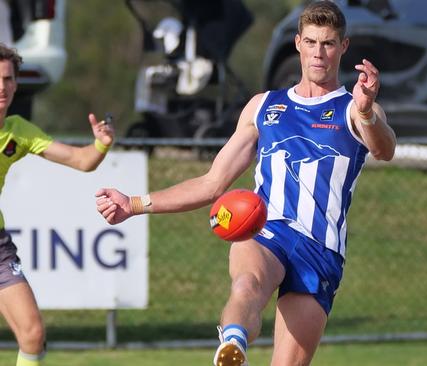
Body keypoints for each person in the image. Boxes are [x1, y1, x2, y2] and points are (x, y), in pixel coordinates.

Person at [95, 1, 396, 365]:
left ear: (343, 47)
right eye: (312, 42)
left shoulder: (355, 108)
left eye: (329, 44)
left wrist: (366, 111)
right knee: (247, 284)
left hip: (320, 248)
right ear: (298, 43)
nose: (319, 53)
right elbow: (211, 183)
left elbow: (385, 149)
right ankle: (233, 345)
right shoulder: (263, 107)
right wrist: (135, 204)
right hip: (265, 228)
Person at [0, 43, 114, 366]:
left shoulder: (18, 131)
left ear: (16, 84)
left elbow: (81, 160)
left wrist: (100, 145)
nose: (2, 87)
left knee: (33, 334)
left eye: (8, 79)